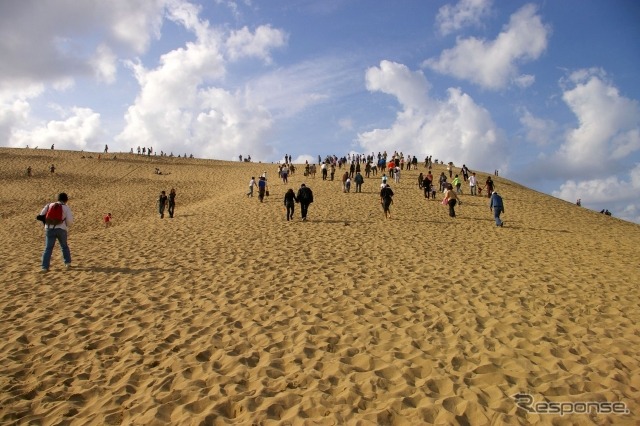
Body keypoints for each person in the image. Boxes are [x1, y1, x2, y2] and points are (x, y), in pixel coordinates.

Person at [38, 192, 73, 272]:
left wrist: (46, 225)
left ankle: (44, 267)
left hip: (49, 229)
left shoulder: (49, 205)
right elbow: (70, 220)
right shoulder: (66, 207)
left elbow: (41, 215)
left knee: (48, 248)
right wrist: (66, 225)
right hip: (61, 229)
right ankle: (67, 263)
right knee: (64, 246)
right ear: (66, 200)